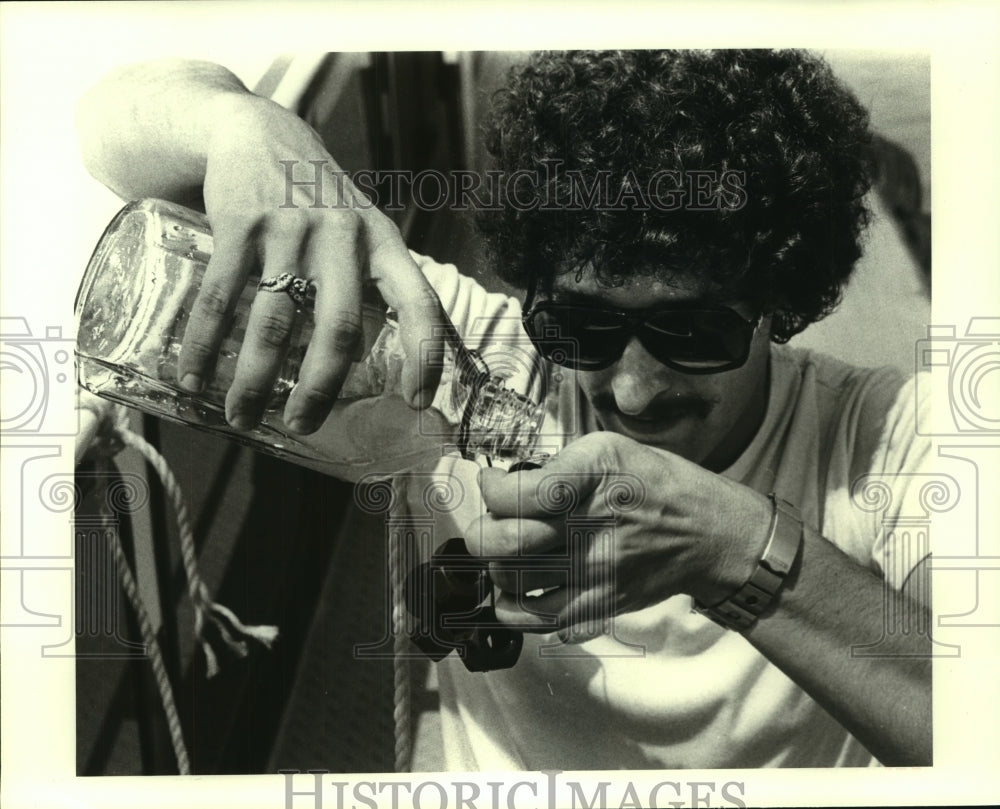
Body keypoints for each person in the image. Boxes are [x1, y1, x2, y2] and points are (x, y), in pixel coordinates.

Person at [76, 49, 932, 769]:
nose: (630, 390)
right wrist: (247, 131)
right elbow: (109, 125)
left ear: (779, 305)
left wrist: (736, 549)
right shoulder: (465, 356)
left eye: (693, 331)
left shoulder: (884, 437)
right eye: (581, 326)